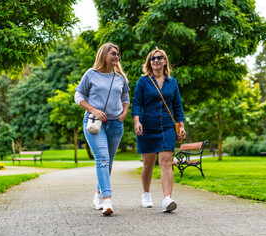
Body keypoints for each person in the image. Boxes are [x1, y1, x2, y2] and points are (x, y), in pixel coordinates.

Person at [74, 43, 130, 215]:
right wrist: (92, 109)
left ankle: (98, 193)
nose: (116, 57)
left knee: (108, 162)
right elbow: (78, 95)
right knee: (103, 159)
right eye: (113, 53)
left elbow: (125, 97)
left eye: (118, 54)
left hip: (115, 124)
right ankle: (107, 200)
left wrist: (124, 114)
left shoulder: (120, 77)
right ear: (104, 54)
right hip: (94, 124)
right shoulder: (91, 74)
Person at [132, 47, 186, 212]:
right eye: (152, 58)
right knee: (148, 164)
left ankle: (167, 199)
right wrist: (137, 122)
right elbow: (137, 104)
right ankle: (146, 193)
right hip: (147, 125)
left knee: (166, 162)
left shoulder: (172, 82)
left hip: (167, 126)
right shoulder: (143, 81)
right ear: (149, 62)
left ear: (165, 61)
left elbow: (177, 106)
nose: (156, 60)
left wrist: (181, 125)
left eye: (159, 58)